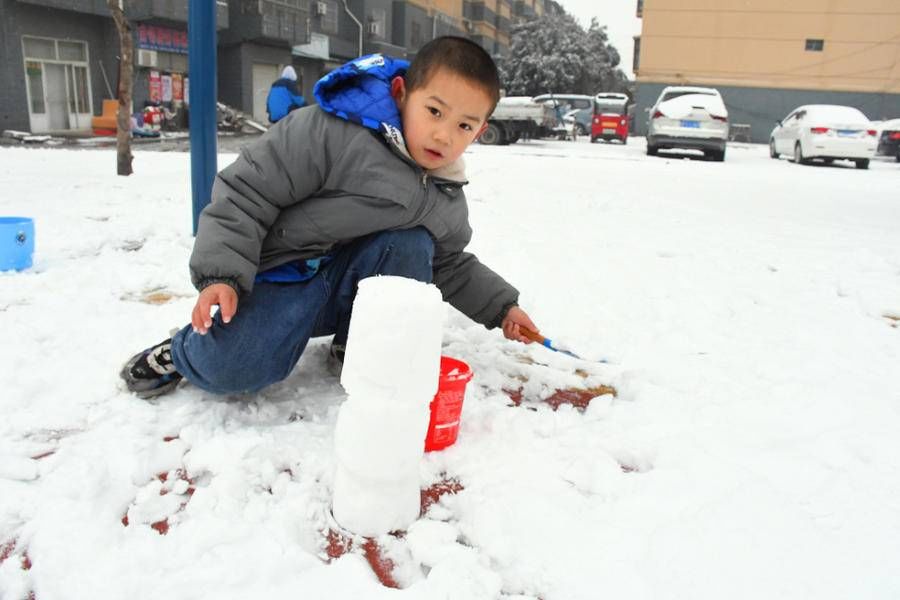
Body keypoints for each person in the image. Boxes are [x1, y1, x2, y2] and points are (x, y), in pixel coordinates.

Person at [120, 36, 539, 399]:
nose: (444, 135)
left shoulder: (444, 191)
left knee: (414, 244)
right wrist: (221, 274)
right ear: (401, 93)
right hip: (282, 277)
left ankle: (359, 345)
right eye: (434, 111)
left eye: (464, 125)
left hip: (347, 285)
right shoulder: (332, 132)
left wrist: (502, 307)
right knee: (237, 369)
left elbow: (446, 263)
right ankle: (181, 352)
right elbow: (248, 191)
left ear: (481, 131)